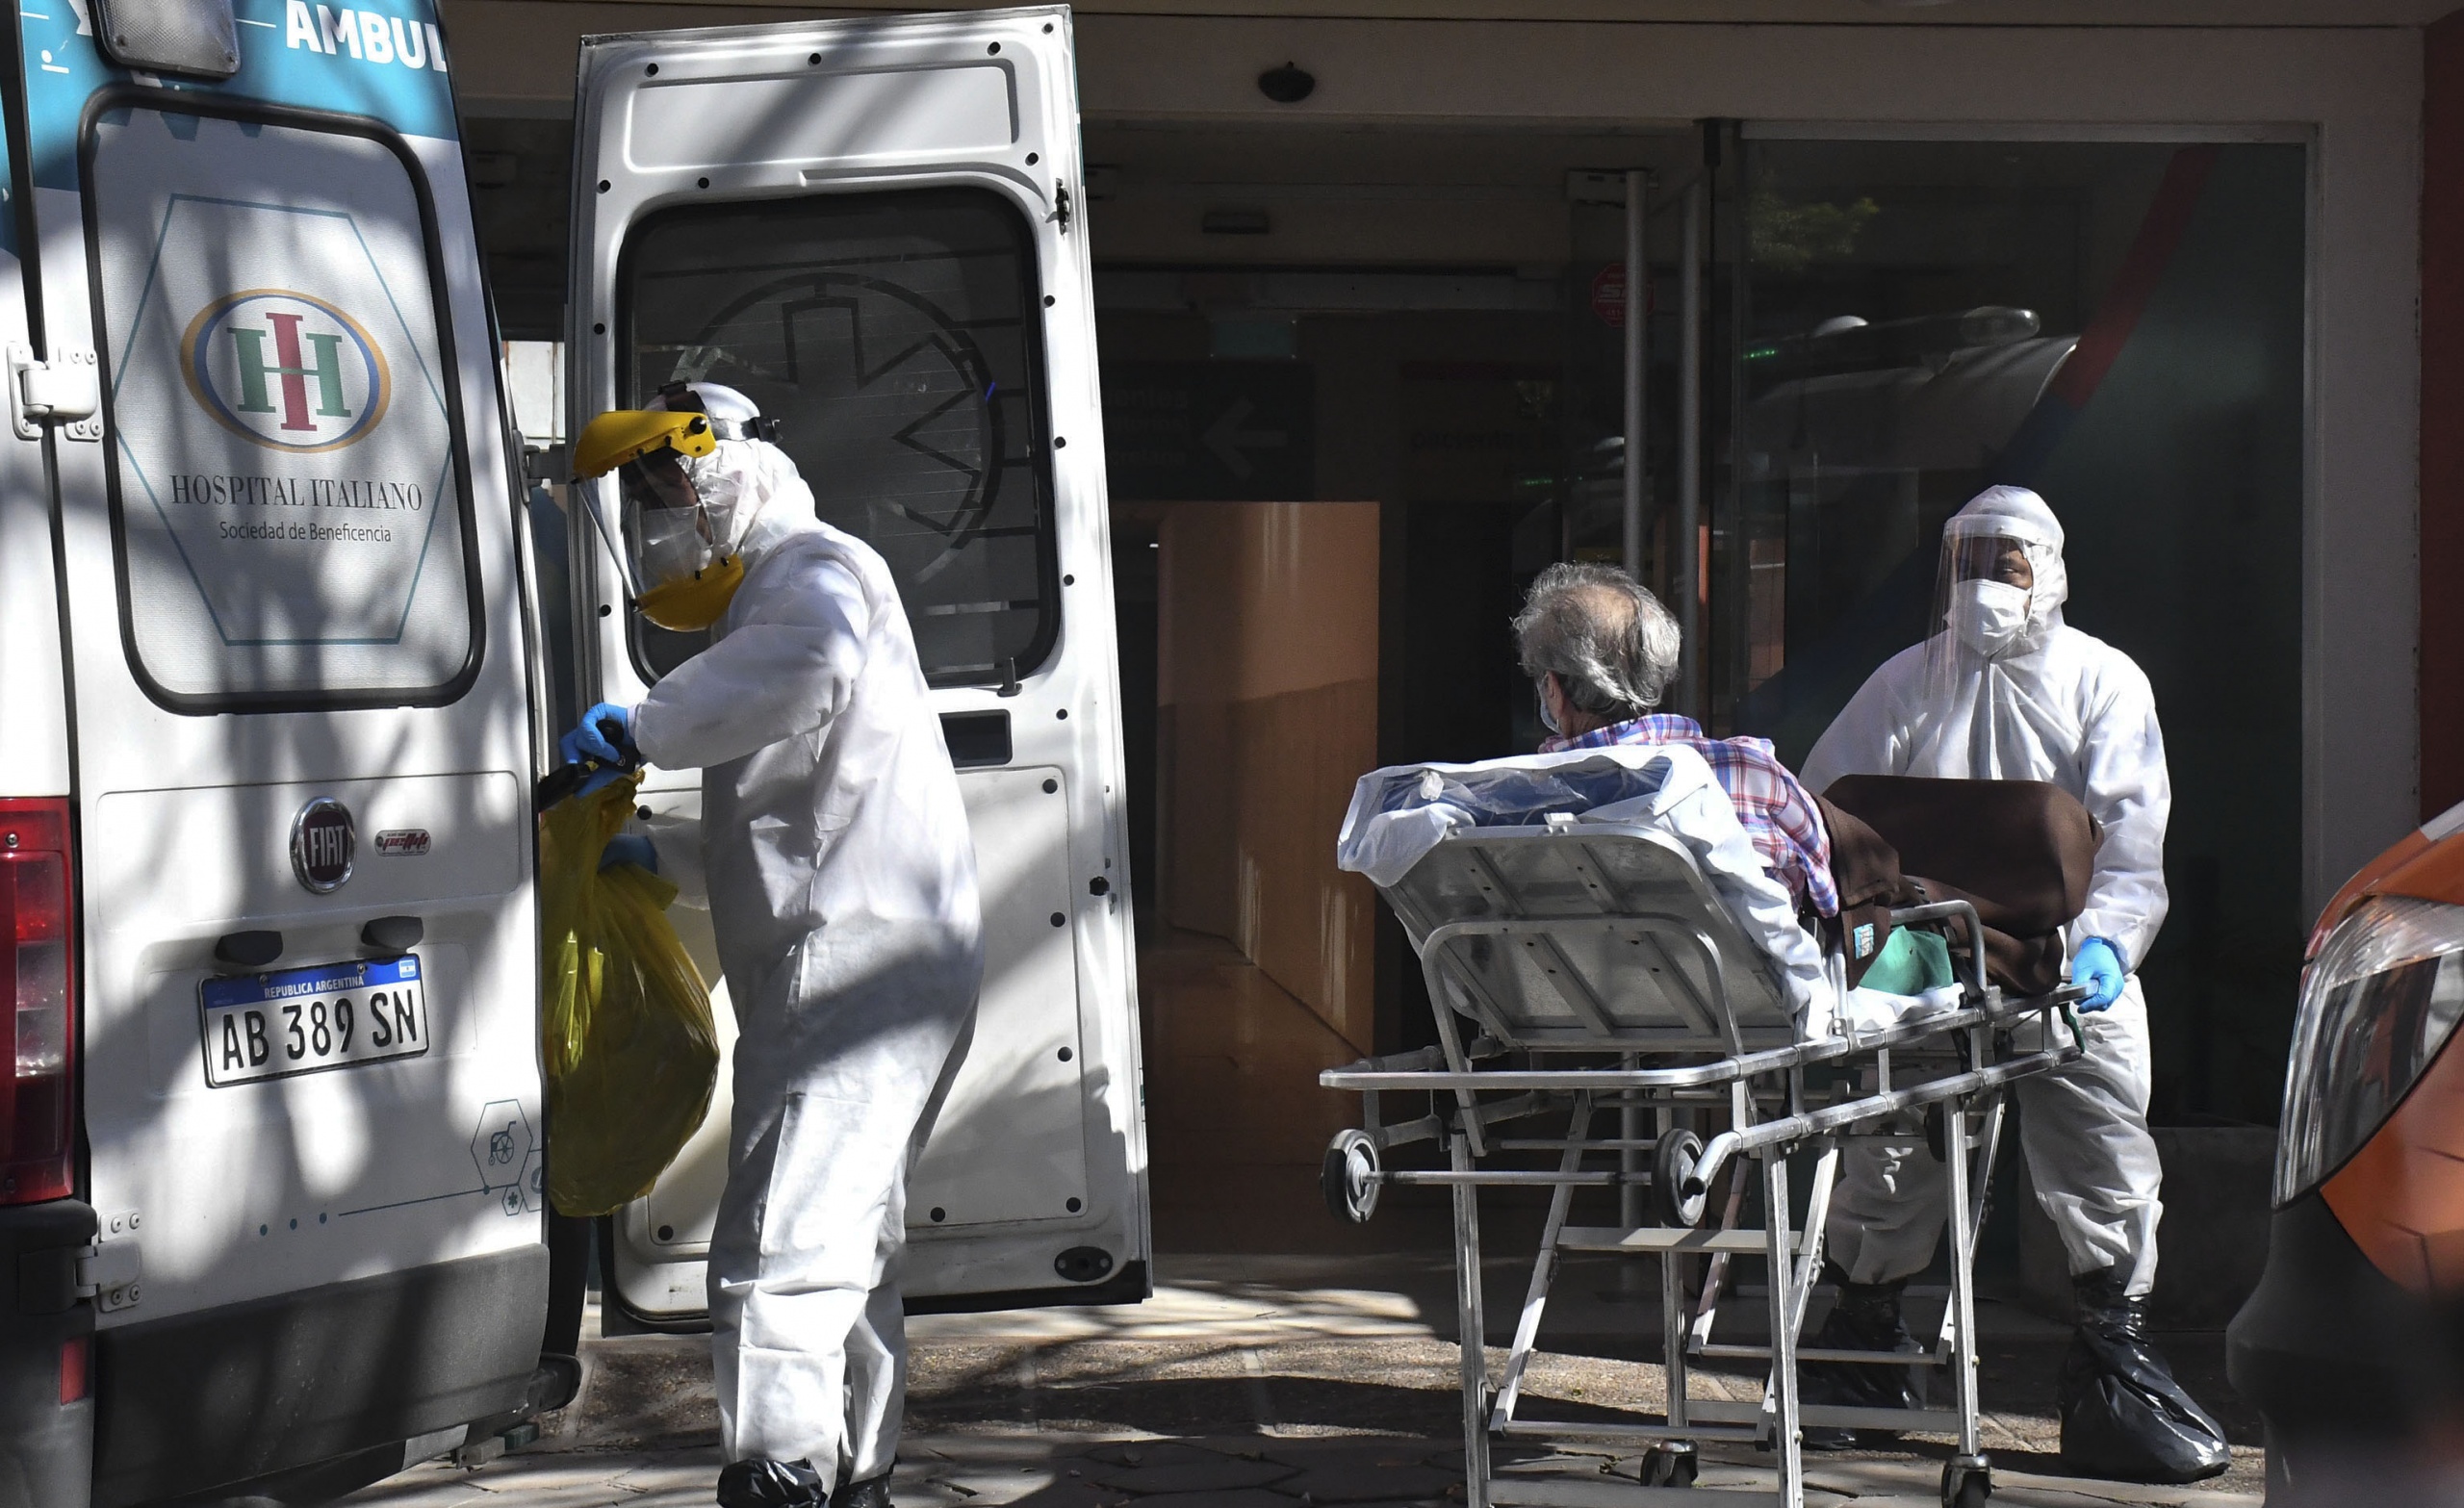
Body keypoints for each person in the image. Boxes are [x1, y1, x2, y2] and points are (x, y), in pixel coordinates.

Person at [561, 381, 984, 1508]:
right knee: (852, 1237)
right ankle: (859, 1470)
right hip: (885, 955)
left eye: (666, 494)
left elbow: (808, 668)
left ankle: (781, 1468)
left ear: (721, 470)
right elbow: (786, 824)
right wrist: (657, 854)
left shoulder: (810, 573)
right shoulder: (775, 601)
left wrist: (641, 726)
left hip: (853, 967)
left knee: (782, 1240)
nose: (659, 523)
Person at [1795, 484, 2226, 1483]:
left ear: (2050, 572)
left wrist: (2108, 944)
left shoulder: (2101, 681)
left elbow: (2131, 844)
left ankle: (2113, 1354)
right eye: (1971, 559)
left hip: (2061, 956)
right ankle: (1864, 1350)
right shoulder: (1907, 681)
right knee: (1888, 1139)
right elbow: (1826, 813)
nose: (1986, 580)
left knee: (2100, 1140)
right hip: (1927, 952)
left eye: (2008, 561)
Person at [1514, 561, 1838, 923]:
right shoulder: (1751, 773)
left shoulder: (1519, 802)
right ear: (1657, 672)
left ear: (1553, 690)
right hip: (1742, 959)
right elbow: (1826, 896)